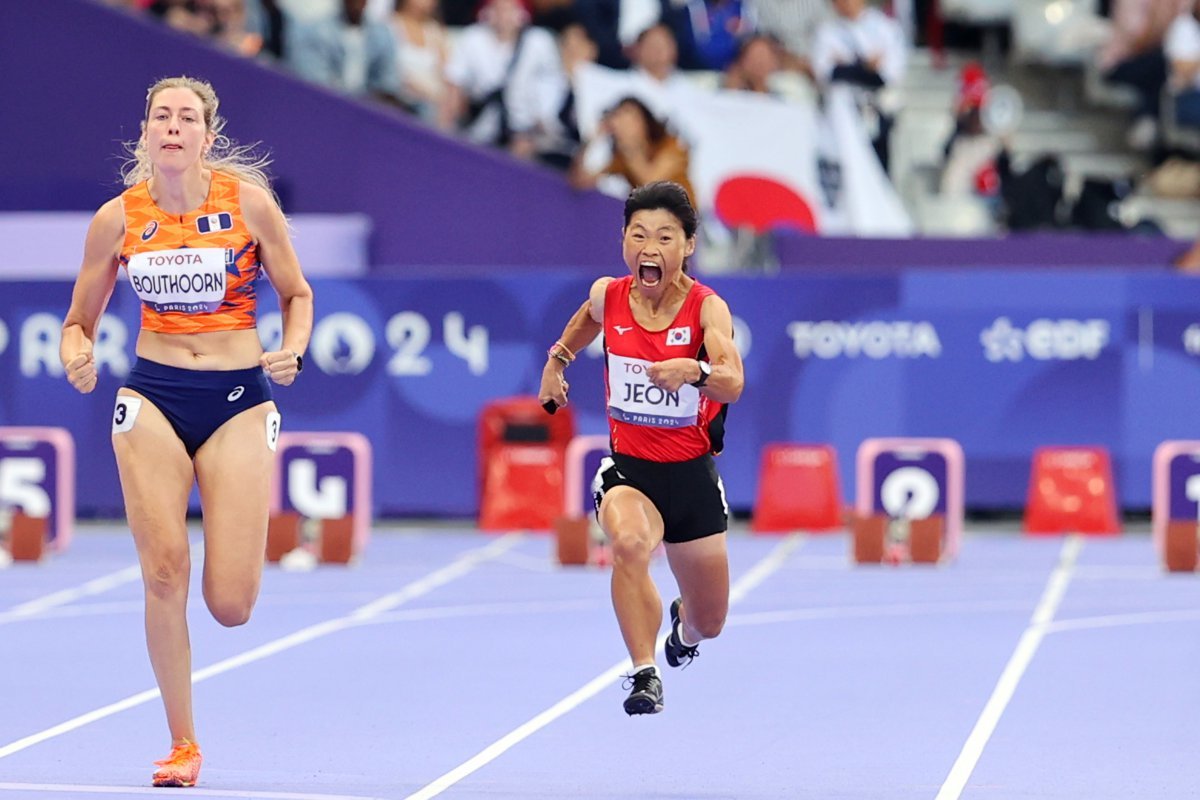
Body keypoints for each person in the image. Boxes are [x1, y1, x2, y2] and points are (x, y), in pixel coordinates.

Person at [59, 75, 313, 787]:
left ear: (208, 134)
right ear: (144, 134)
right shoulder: (118, 219)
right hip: (153, 394)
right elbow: (77, 320)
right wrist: (75, 353)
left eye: (186, 117)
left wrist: (292, 347)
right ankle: (182, 744)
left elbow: (297, 295)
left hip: (236, 398)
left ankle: (231, 570)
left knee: (229, 605)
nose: (172, 126)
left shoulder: (249, 204)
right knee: (164, 569)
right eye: (160, 116)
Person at [538, 181, 745, 715]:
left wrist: (694, 371)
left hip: (693, 479)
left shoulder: (706, 309)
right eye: (638, 235)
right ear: (624, 240)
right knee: (629, 545)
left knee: (711, 620)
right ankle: (644, 672)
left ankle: (685, 630)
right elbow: (588, 318)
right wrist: (557, 360)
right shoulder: (610, 294)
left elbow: (732, 381)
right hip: (630, 473)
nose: (649, 248)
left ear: (688, 245)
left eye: (665, 237)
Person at [569, 96, 696, 209]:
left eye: (628, 118)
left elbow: (652, 185)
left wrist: (630, 148)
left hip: (683, 218)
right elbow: (580, 181)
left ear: (643, 122)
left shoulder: (670, 145)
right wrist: (592, 140)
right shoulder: (622, 159)